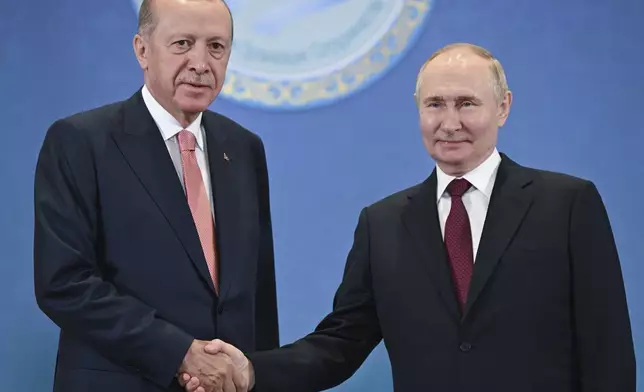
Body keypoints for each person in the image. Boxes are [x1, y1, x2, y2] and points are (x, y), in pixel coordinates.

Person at [182, 43, 636, 392]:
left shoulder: (567, 204)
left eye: (467, 103)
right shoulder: (382, 225)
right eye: (435, 104)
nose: (449, 121)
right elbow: (340, 344)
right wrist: (250, 369)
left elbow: (608, 350)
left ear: (503, 107)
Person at [33, 0, 279, 391]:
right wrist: (181, 351)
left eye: (216, 46)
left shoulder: (244, 148)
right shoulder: (81, 142)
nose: (201, 63)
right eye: (183, 43)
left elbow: (259, 296)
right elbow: (65, 283)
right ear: (142, 50)